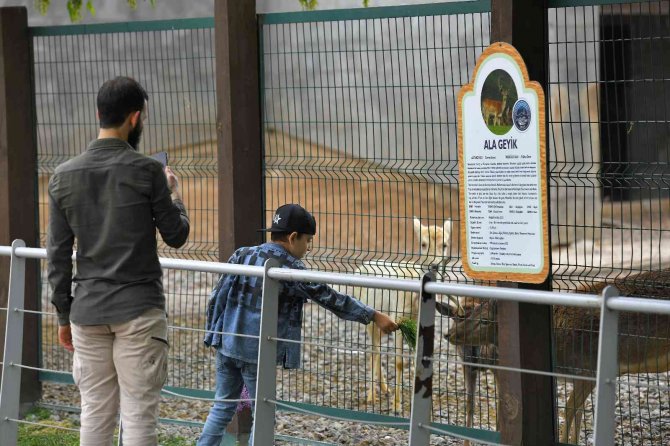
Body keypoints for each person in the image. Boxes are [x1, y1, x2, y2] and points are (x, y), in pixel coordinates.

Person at [47, 76, 190, 446]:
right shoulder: (147, 172)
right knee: (139, 414)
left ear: (98, 114)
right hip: (139, 311)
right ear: (135, 118)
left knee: (95, 412)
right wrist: (175, 194)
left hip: (87, 312)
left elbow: (58, 256)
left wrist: (63, 315)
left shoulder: (62, 177)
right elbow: (176, 236)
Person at [197, 203, 398, 445]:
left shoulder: (242, 254)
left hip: (227, 344)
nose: (308, 248)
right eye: (308, 241)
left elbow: (217, 296)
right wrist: (373, 315)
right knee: (263, 416)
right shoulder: (291, 268)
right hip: (257, 353)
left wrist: (213, 333)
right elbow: (331, 298)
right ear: (293, 238)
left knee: (222, 408)